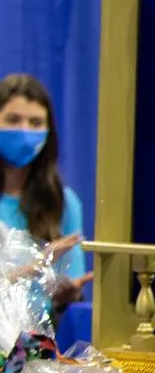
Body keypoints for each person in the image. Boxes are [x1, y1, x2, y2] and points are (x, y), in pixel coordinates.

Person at [0, 73, 89, 307]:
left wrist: (68, 295)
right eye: (13, 120)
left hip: (39, 338)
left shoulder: (64, 202)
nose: (25, 131)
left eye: (36, 123)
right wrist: (35, 266)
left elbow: (70, 286)